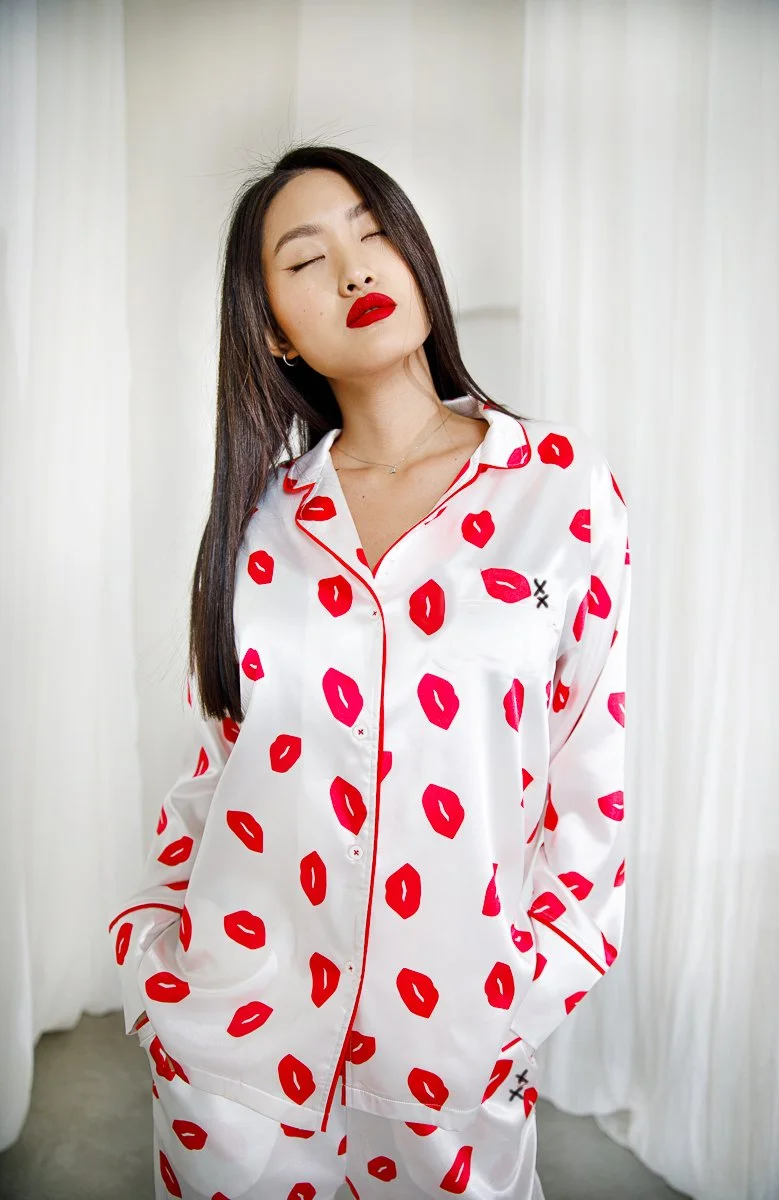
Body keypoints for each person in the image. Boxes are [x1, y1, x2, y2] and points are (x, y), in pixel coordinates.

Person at [108, 142, 631, 1200]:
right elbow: (215, 765)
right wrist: (154, 969)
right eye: (306, 260)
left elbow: (592, 780)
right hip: (236, 1057)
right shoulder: (259, 521)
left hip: (450, 1058)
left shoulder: (558, 489)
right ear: (272, 328)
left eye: (373, 231)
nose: (353, 270)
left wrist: (516, 1002)